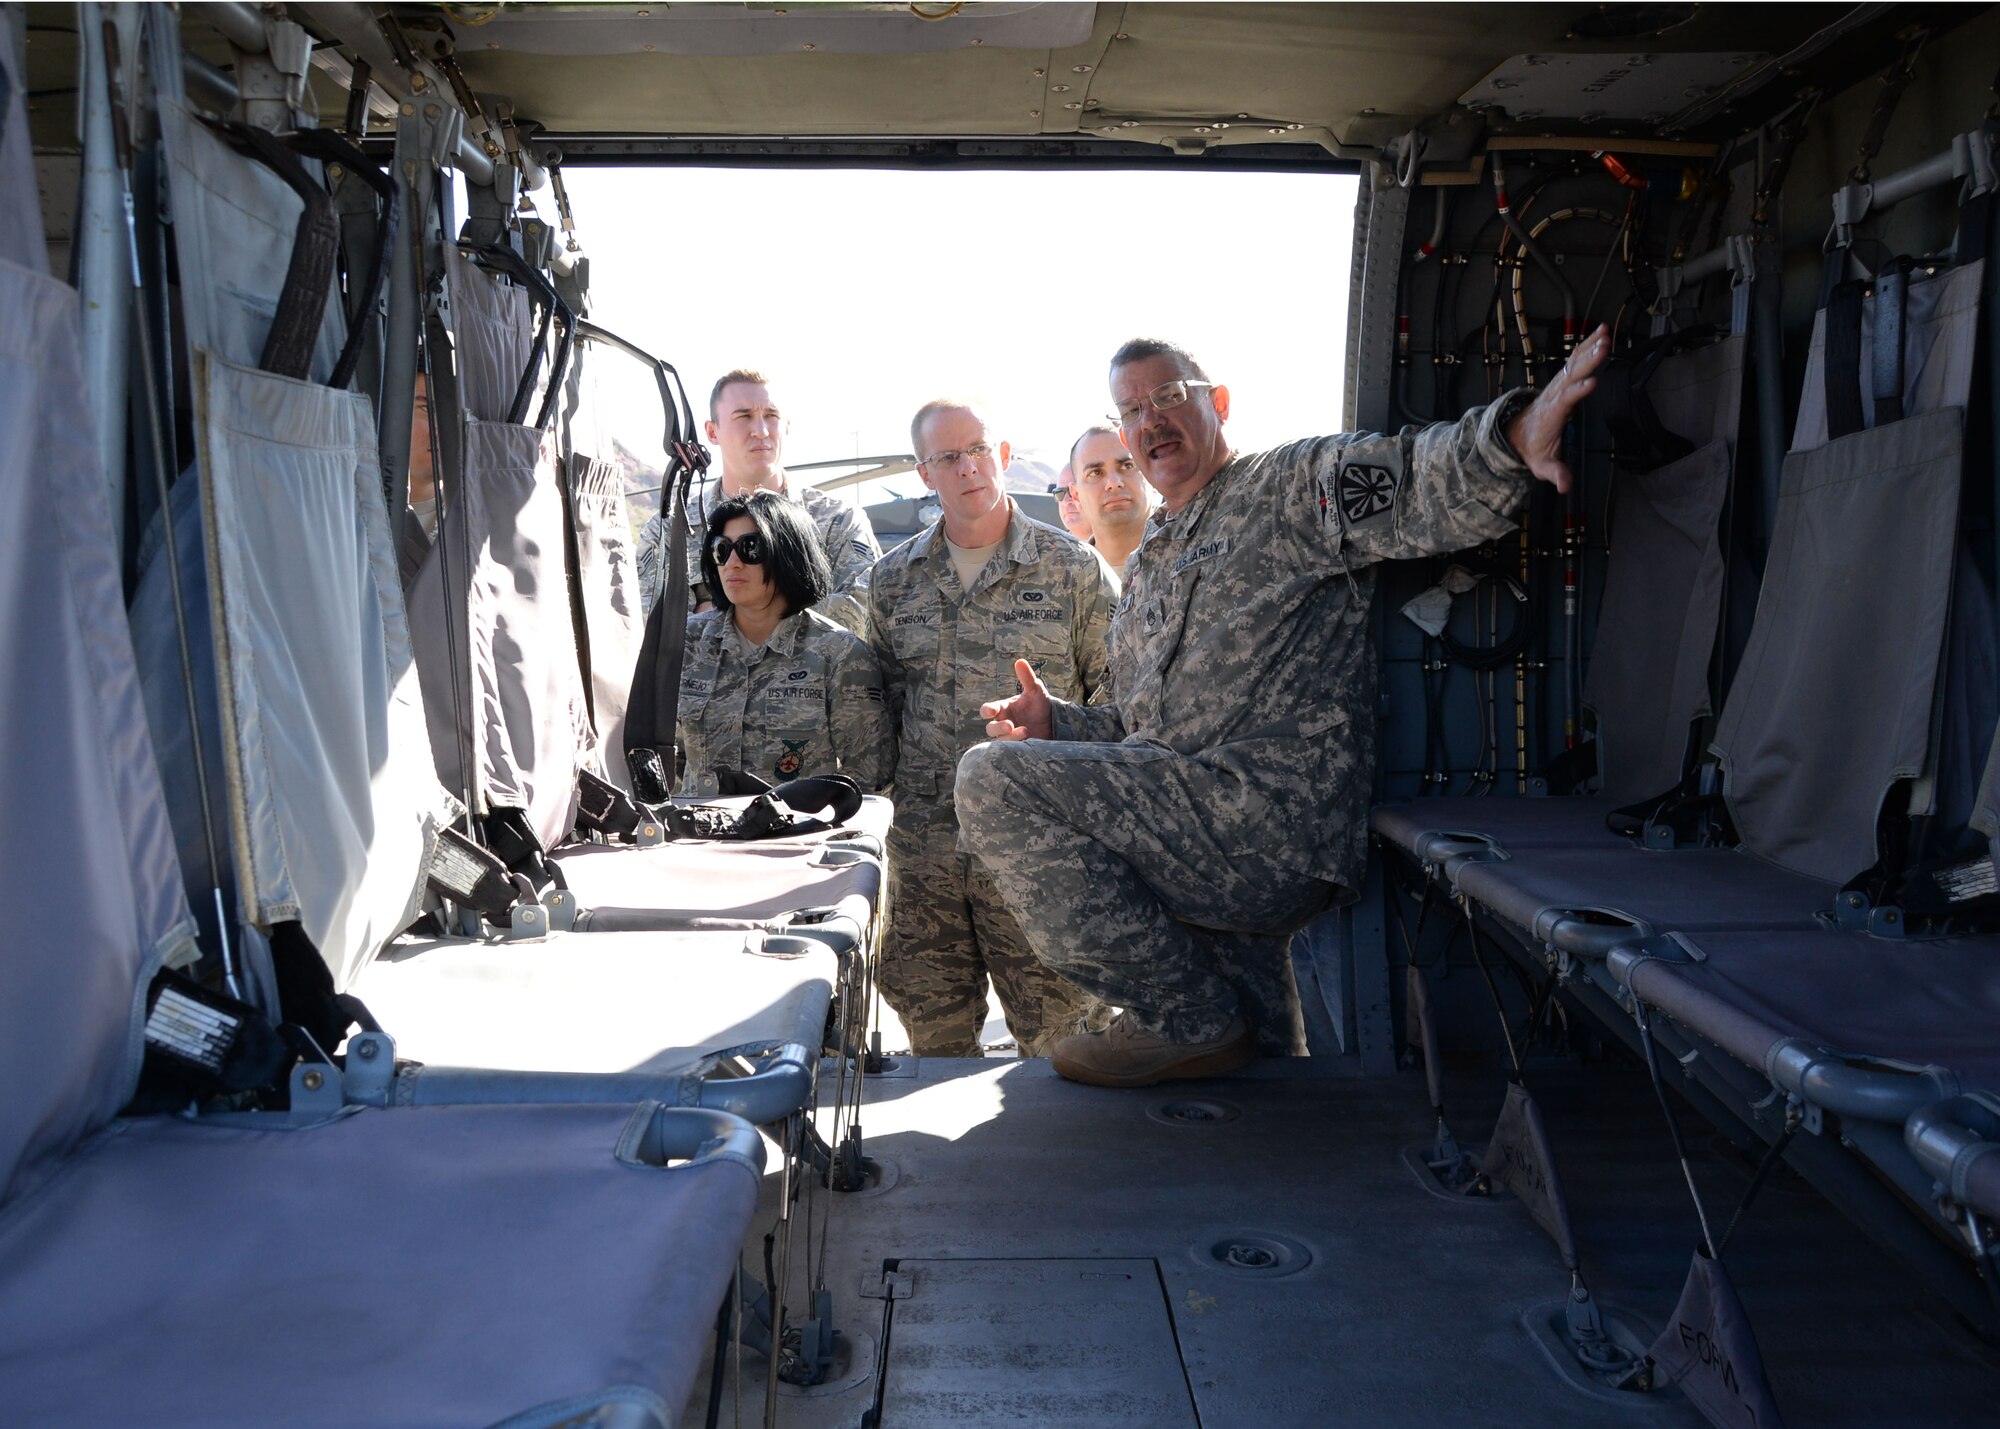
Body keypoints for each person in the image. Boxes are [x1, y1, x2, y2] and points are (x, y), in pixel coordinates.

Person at [956, 329, 1612, 1087]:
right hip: (1192, 820)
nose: (1151, 420)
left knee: (992, 780)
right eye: (1132, 408)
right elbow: (1147, 730)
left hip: (1264, 822)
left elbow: (1409, 473)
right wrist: (1059, 725)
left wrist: (1509, 436)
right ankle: (1223, 1058)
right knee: (1253, 1092)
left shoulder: (1286, 488)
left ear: (1218, 403)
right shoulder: (1149, 567)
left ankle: (1184, 1017)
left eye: (1169, 396)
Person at [868, 398, 1119, 1058]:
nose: (968, 467)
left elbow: (1127, 714)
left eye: (979, 449)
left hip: (1043, 857)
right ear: (925, 473)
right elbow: (883, 710)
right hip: (925, 864)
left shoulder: (1074, 572)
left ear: (1003, 456)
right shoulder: (892, 583)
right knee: (934, 1049)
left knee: (1066, 1048)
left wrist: (1058, 727)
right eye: (947, 456)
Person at [677, 490, 893, 797]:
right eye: (721, 549)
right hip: (701, 836)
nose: (733, 563)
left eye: (750, 548)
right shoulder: (687, 643)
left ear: (788, 554)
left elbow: (868, 780)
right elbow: (665, 759)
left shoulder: (840, 655)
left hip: (796, 838)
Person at [636, 370, 880, 635]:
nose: (761, 430)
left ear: (787, 425)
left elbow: (859, 618)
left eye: (771, 416)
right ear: (712, 431)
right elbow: (656, 631)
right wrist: (794, 603)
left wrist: (715, 607)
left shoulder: (838, 520)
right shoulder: (670, 531)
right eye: (744, 416)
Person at [1068, 423, 1150, 573]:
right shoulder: (1062, 580)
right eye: (1095, 473)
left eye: (1128, 466)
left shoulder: (1196, 556)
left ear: (1151, 475)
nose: (1113, 483)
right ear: (1076, 495)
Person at [1052, 463, 1094, 543]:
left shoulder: (1121, 551)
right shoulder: (1049, 551)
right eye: (1059, 493)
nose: (1065, 501)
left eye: (1075, 491)